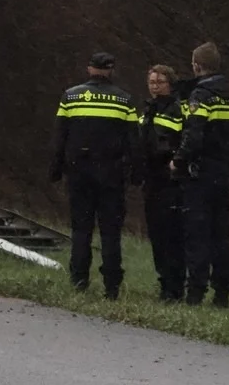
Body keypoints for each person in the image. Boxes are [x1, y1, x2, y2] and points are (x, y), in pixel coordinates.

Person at [49, 51, 136, 299]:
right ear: (111, 70)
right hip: (111, 175)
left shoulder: (71, 96)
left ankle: (79, 282)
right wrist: (135, 174)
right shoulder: (124, 100)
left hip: (79, 174)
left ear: (89, 69)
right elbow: (133, 142)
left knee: (81, 230)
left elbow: (60, 138)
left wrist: (55, 170)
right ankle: (112, 286)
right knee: (110, 232)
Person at [173, 42, 229, 308]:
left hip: (201, 174)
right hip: (223, 174)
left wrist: (179, 161)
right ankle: (222, 293)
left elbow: (193, 136)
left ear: (197, 65)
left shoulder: (201, 96)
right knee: (221, 235)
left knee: (197, 233)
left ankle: (195, 293)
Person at [134, 63, 186, 302]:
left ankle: (175, 288)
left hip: (170, 181)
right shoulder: (147, 110)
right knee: (156, 235)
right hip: (151, 179)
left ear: (170, 84)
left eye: (160, 82)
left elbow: (179, 142)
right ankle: (164, 284)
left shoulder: (177, 109)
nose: (155, 87)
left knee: (171, 236)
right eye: (152, 82)